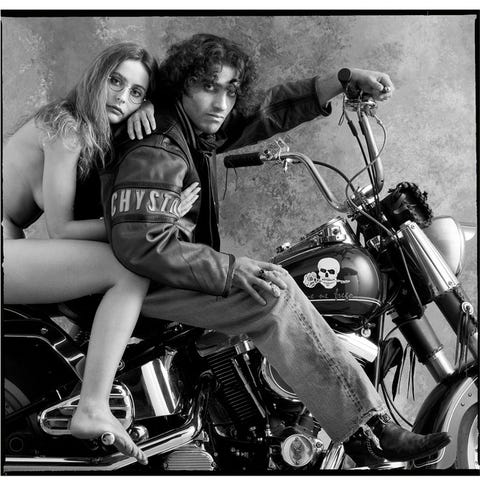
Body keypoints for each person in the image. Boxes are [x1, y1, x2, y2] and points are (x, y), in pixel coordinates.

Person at [100, 33, 451, 467]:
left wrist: (341, 80)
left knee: (276, 279)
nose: (222, 103)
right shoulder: (161, 149)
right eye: (208, 87)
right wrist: (231, 270)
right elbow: (143, 245)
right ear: (180, 86)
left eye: (230, 91)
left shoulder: (192, 131)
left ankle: (355, 429)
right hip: (146, 282)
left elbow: (265, 112)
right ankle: (367, 432)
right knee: (273, 295)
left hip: (162, 272)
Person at [2, 42, 200, 465]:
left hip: (9, 244)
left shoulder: (89, 129)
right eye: (115, 81)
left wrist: (152, 108)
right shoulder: (68, 128)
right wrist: (150, 217)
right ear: (96, 77)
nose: (122, 97)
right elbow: (61, 229)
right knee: (128, 271)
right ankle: (92, 406)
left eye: (136, 92)